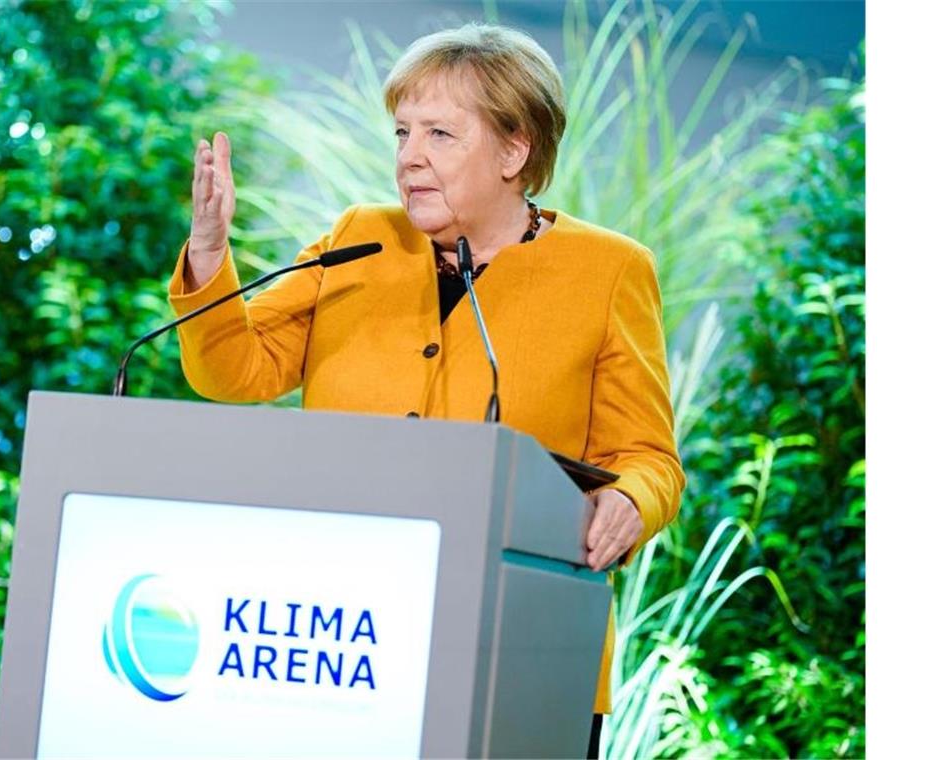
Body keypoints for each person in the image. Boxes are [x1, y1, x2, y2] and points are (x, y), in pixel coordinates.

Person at [169, 22, 684, 758]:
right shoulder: (359, 239)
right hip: (343, 643)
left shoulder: (609, 272)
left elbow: (649, 456)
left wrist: (633, 498)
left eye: (441, 133)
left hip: (522, 653)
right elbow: (234, 369)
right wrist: (210, 256)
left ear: (515, 149)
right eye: (403, 132)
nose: (410, 156)